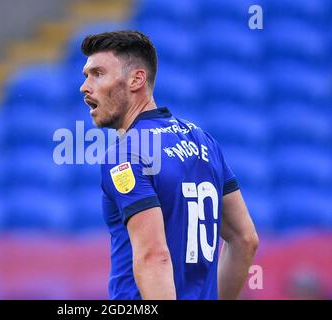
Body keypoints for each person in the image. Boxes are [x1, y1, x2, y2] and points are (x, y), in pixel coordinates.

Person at [79, 30, 259, 300]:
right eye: (86, 76)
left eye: (98, 74)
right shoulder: (204, 141)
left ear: (136, 79)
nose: (85, 87)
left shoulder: (125, 154)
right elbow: (245, 239)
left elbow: (154, 257)